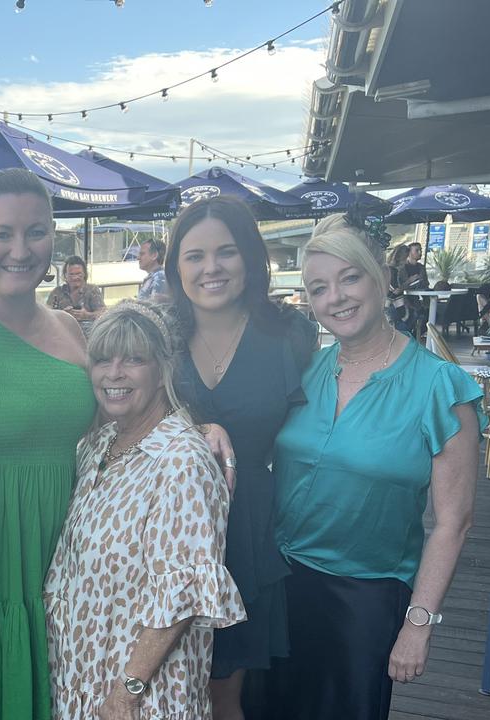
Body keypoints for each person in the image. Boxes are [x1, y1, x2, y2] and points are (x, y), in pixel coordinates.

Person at [270, 214, 484, 720]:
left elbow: (454, 522)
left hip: (364, 596)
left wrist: (419, 623)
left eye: (349, 278)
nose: (336, 297)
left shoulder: (439, 387)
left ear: (381, 280)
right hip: (279, 584)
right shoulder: (306, 370)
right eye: (319, 288)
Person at [46, 301, 245, 719]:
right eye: (102, 359)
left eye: (133, 359)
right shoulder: (97, 446)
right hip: (83, 680)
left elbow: (182, 594)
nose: (113, 373)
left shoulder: (182, 462)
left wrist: (127, 693)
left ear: (162, 371)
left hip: (143, 699)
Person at [163, 195, 317, 720]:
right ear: (176, 267)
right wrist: (194, 427)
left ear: (250, 257)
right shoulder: (159, 335)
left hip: (246, 524)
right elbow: (118, 417)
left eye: (225, 252)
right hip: (163, 529)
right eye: (194, 256)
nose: (211, 268)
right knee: (160, 679)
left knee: (224, 690)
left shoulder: (290, 334)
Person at [0, 168, 95, 720]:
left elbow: (117, 421)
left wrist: (198, 425)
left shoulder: (69, 325)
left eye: (36, 232)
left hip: (72, 557)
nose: (21, 249)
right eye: (2, 234)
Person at [46, 255, 106, 323]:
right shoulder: (57, 292)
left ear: (84, 274)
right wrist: (62, 314)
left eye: (78, 274)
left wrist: (87, 315)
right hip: (63, 331)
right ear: (65, 275)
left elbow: (104, 314)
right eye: (71, 274)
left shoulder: (92, 290)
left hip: (87, 331)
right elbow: (46, 315)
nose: (75, 278)